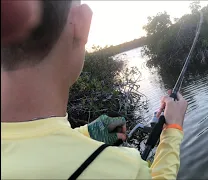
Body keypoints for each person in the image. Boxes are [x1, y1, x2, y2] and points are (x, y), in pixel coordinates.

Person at [1, 0, 188, 179]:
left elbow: (29, 146)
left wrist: (87, 134)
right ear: (82, 22)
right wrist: (173, 129)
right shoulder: (124, 171)